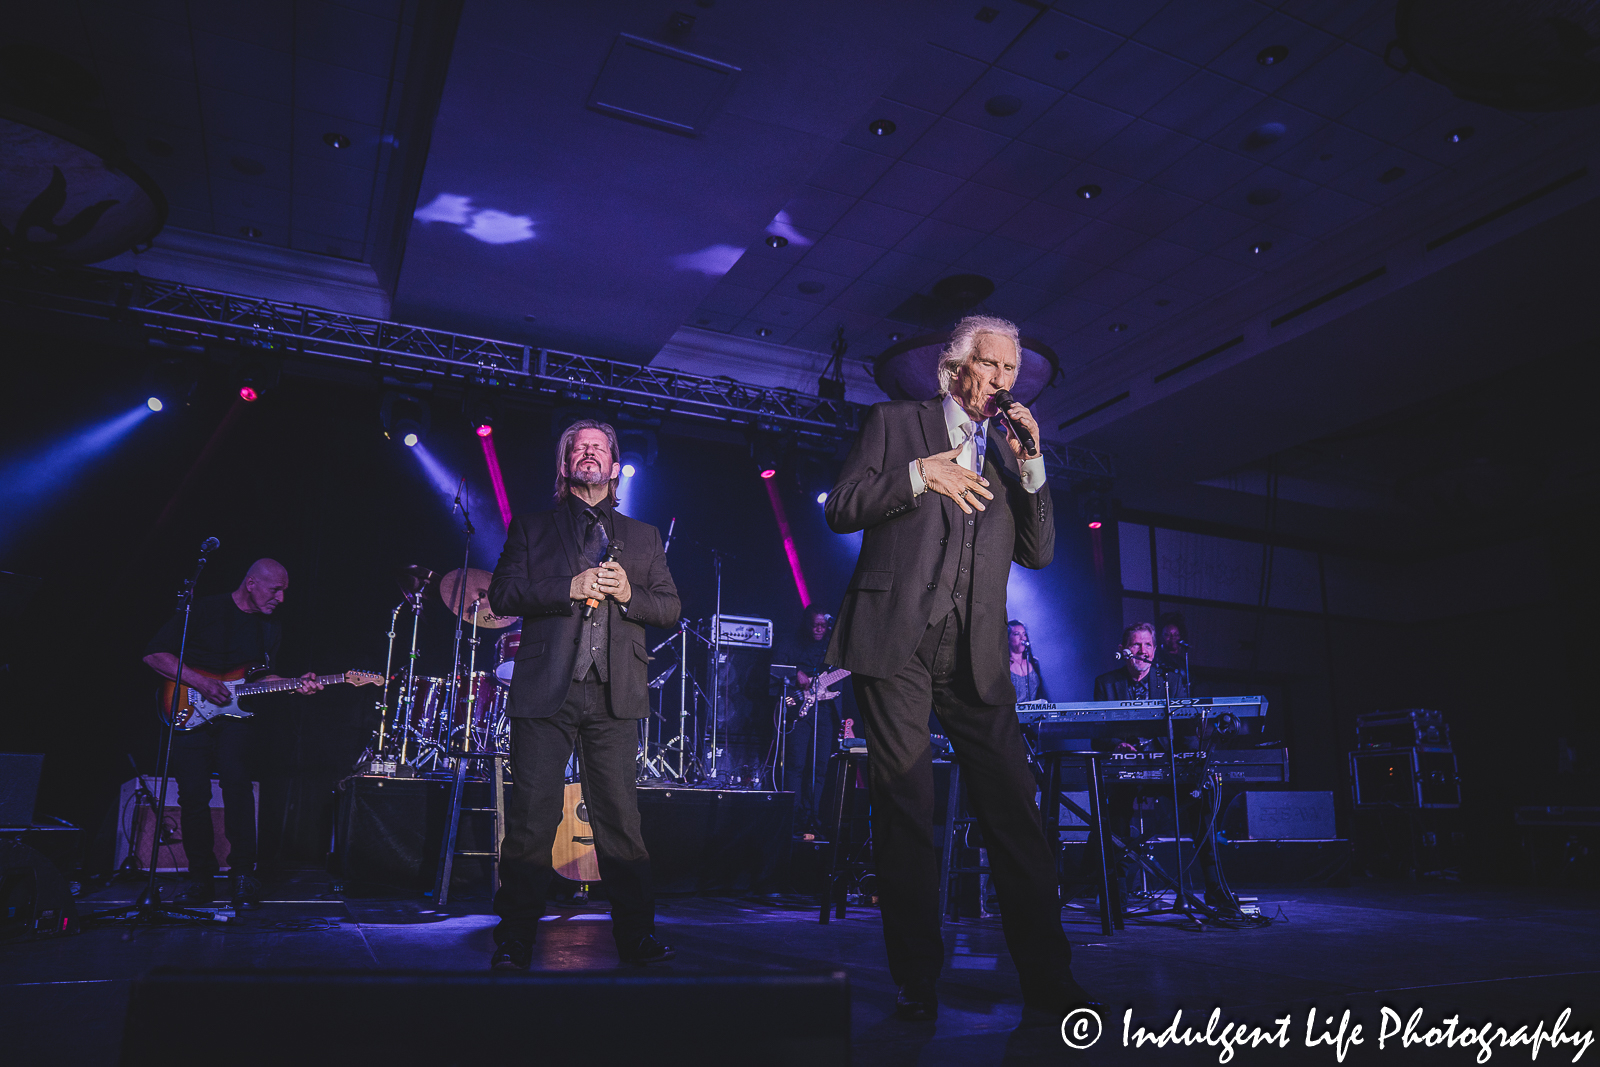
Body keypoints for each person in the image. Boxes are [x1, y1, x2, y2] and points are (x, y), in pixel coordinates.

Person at [825, 314, 1095, 1022]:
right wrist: (920, 475)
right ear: (955, 371)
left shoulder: (1009, 454)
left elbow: (1037, 553)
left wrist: (1033, 462)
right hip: (894, 642)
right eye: (993, 365)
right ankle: (917, 979)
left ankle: (1050, 980)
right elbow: (841, 506)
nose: (1004, 381)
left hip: (973, 654)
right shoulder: (894, 422)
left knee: (1016, 812)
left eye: (1012, 371)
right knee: (908, 811)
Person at [486, 419, 681, 970]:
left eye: (600, 449)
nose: (590, 454)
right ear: (565, 464)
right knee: (531, 818)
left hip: (615, 694)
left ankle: (637, 938)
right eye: (580, 447)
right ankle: (515, 938)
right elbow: (502, 594)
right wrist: (564, 588)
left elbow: (669, 607)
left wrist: (630, 592)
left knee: (621, 820)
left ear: (616, 468)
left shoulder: (643, 536)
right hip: (547, 690)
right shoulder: (531, 528)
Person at [141, 558, 324, 907]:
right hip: (187, 708)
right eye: (276, 590)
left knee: (238, 788)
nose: (281, 599)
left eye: (285, 591)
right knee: (192, 796)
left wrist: (293, 684)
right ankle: (200, 878)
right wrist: (200, 683)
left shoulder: (269, 627)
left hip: (236, 717)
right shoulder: (205, 609)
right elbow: (154, 655)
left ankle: (243, 874)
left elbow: (260, 678)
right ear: (251, 583)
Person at [1086, 623, 1225, 918]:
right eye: (1136, 645)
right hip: (1124, 767)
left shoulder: (1171, 681)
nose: (1142, 651)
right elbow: (1097, 732)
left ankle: (1214, 886)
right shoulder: (1106, 683)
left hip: (1163, 764)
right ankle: (1117, 894)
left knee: (1201, 799)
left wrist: (1192, 760)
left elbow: (1187, 729)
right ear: (1124, 650)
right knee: (1117, 812)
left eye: (1147, 645)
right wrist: (1116, 745)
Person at [776, 608, 843, 817]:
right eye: (815, 624)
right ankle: (792, 817)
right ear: (806, 623)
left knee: (820, 767)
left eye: (823, 625)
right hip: (798, 710)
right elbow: (775, 667)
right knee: (796, 764)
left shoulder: (833, 645)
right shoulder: (790, 641)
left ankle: (811, 816)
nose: (819, 629)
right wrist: (796, 673)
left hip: (824, 711)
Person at [1007, 620, 1047, 703]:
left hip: (1033, 714)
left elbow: (1041, 692)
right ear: (1008, 639)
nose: (1023, 638)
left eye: (1024, 634)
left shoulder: (1033, 662)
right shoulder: (1003, 664)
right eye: (1017, 634)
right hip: (1012, 713)